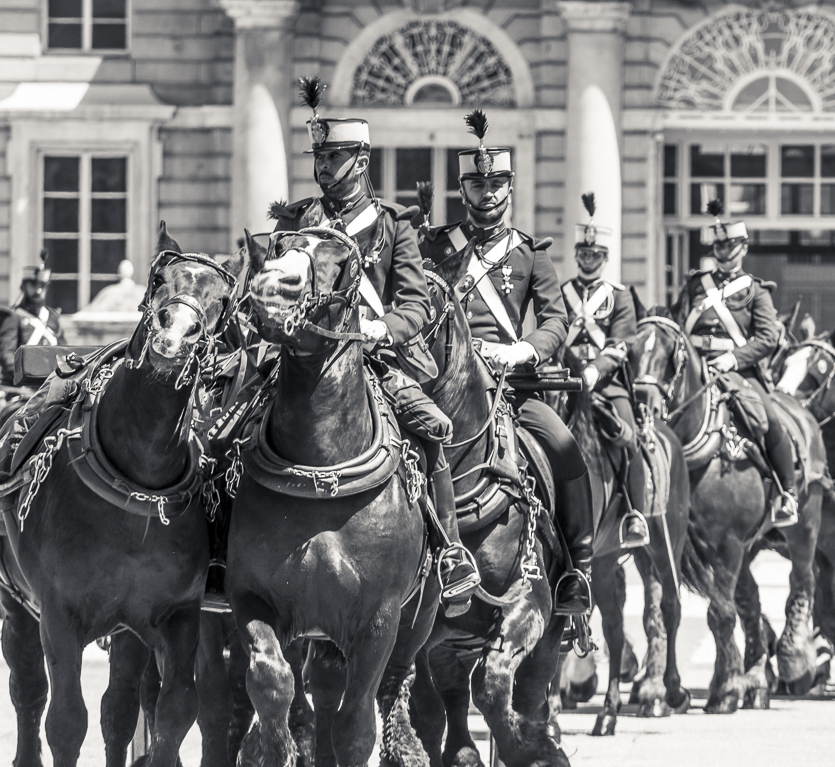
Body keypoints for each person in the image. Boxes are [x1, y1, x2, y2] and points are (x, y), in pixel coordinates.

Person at [269, 76, 480, 614]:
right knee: (229, 420)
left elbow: (415, 305)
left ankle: (450, 551)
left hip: (373, 360)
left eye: (334, 157)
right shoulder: (297, 222)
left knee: (430, 427)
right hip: (297, 354)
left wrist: (378, 329)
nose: (323, 167)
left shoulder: (392, 226)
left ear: (361, 162)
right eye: (319, 156)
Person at [419, 109, 593, 615]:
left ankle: (577, 569)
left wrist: (523, 348)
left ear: (510, 188)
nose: (487, 194)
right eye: (477, 185)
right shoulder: (438, 247)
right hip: (442, 386)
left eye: (496, 184)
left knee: (563, 448)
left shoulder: (531, 254)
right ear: (464, 190)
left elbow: (556, 322)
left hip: (511, 389)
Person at [673, 200, 798, 528]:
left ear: (743, 248)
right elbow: (676, 323)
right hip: (694, 370)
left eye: (730, 246)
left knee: (769, 418)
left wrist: (732, 358)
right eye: (718, 246)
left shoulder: (757, 291)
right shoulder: (695, 285)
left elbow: (768, 338)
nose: (723, 252)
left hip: (737, 371)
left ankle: (787, 492)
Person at [561, 193, 649, 549]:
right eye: (583, 253)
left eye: (595, 255)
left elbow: (621, 343)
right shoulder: (561, 292)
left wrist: (595, 371)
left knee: (630, 438)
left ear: (605, 258)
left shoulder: (620, 295)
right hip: (563, 381)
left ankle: (634, 512)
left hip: (605, 385)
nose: (588, 259)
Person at [0, 251, 66, 390]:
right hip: (20, 389)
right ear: (23, 287)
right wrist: (29, 374)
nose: (38, 290)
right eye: (33, 285)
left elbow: (65, 352)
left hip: (51, 387)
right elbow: (7, 357)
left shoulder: (52, 317)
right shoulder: (13, 316)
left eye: (42, 286)